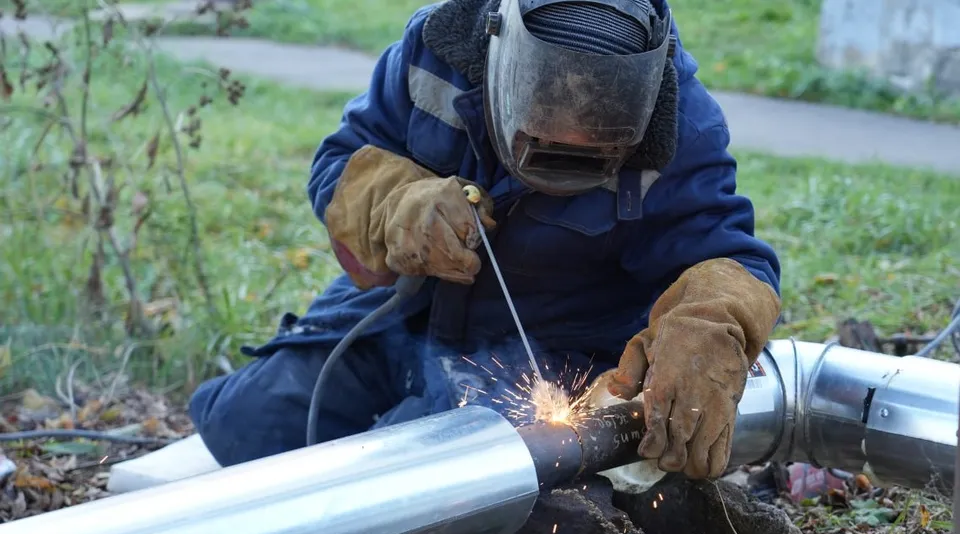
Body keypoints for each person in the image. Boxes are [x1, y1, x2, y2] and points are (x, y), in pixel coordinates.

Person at [188, 0, 783, 486]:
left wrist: (712, 320)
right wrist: (397, 202)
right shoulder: (439, 49)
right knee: (247, 424)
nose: (562, 155)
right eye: (545, 133)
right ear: (501, 51)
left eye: (591, 145)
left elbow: (730, 256)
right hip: (402, 319)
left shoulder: (680, 124)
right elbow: (339, 161)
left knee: (393, 482)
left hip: (547, 360)